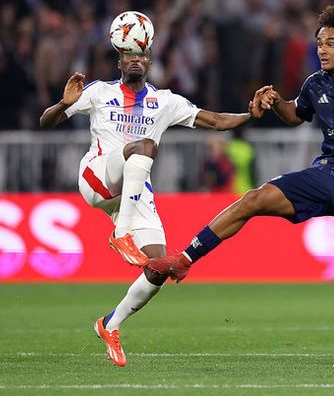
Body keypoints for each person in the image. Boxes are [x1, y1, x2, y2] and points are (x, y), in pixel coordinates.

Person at [147, 5, 334, 368]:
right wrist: (276, 102)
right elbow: (296, 115)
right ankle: (184, 259)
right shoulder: (315, 83)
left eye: (331, 43)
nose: (322, 49)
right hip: (327, 171)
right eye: (319, 43)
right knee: (254, 198)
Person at [39, 46, 257, 367]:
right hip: (97, 177)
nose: (135, 60)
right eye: (129, 55)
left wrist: (252, 115)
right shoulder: (99, 92)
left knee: (160, 266)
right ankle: (121, 234)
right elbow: (46, 122)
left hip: (134, 191)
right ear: (119, 61)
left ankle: (110, 324)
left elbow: (215, 121)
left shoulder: (164, 101)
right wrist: (63, 104)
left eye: (141, 55)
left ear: (150, 62)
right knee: (145, 146)